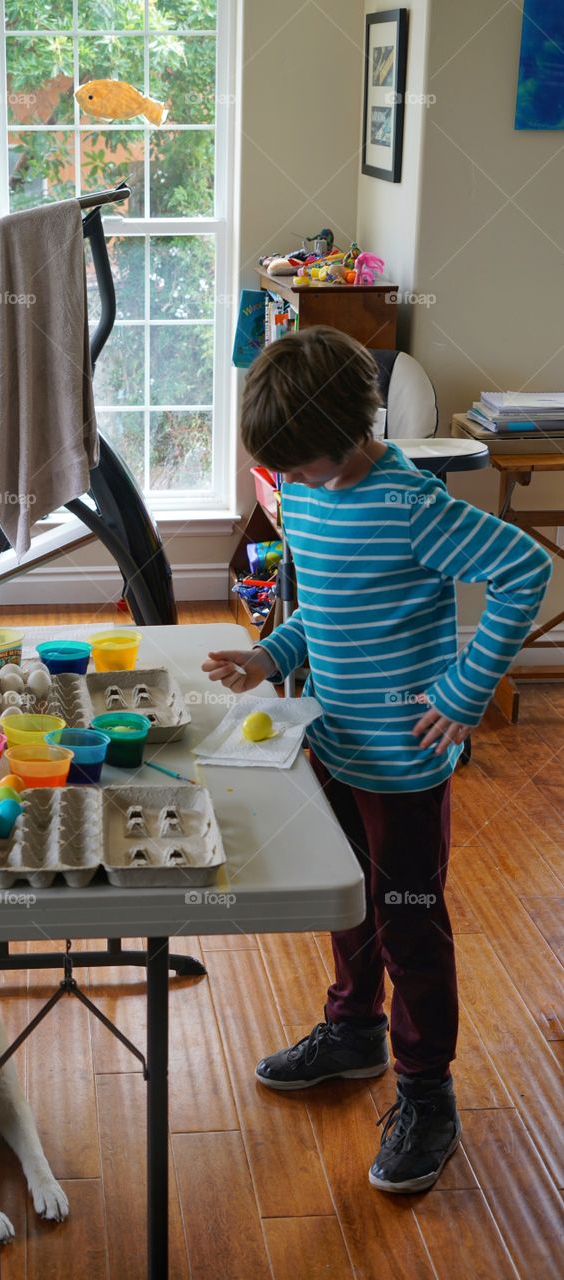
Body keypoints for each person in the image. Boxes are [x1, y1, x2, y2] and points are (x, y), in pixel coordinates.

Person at [204, 326, 551, 1193]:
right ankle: (353, 1029)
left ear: (353, 433)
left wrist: (467, 689)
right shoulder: (310, 492)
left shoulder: (408, 505)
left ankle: (427, 1093)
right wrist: (269, 657)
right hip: (332, 741)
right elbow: (323, 609)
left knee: (409, 921)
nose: (289, 483)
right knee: (344, 896)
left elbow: (521, 569)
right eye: (279, 468)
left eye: (301, 465)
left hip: (403, 761)